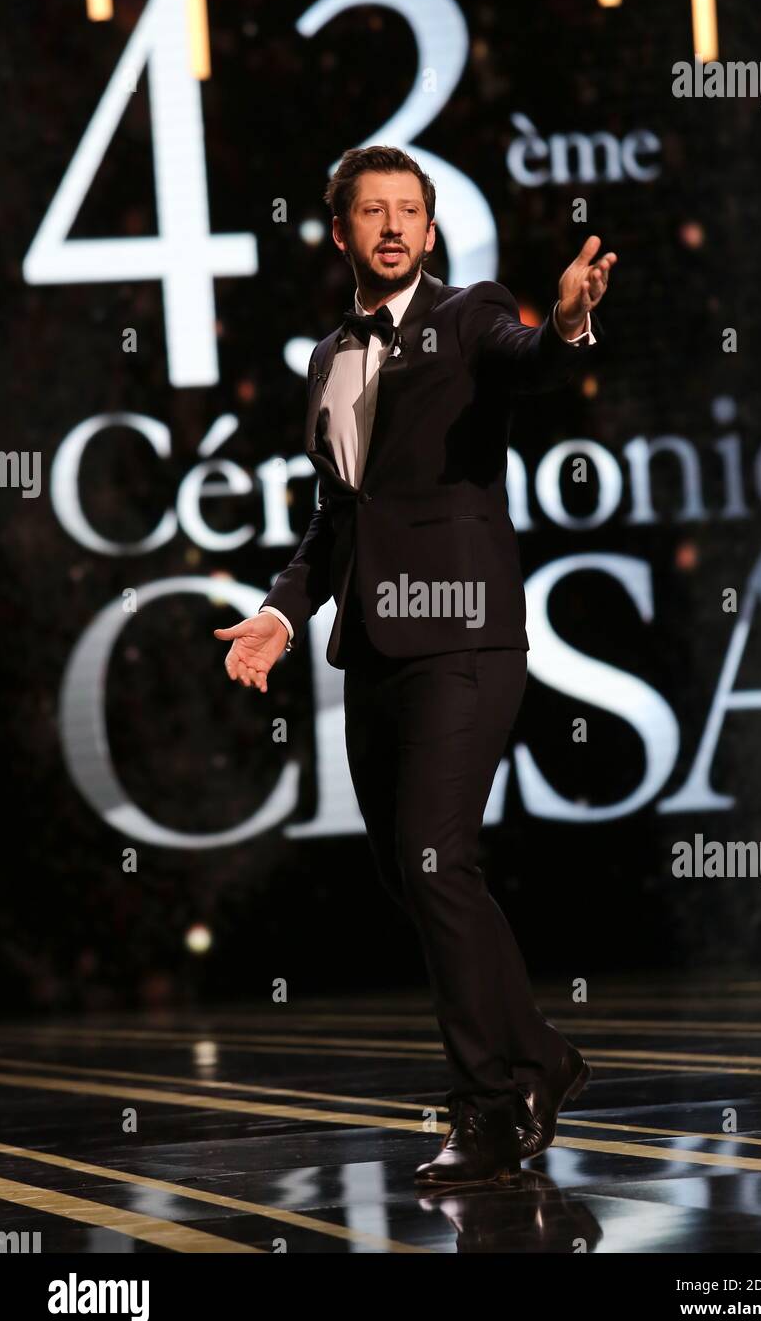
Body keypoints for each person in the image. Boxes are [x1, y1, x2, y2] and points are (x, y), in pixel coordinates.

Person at [215, 145, 616, 1188]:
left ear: (430, 233)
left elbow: (531, 355)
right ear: (341, 231)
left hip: (468, 640)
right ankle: (543, 1058)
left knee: (438, 859)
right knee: (413, 871)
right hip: (378, 649)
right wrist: (280, 614)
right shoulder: (325, 359)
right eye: (372, 212)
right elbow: (337, 521)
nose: (393, 227)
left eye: (410, 212)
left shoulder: (471, 315)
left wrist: (568, 323)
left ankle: (489, 1102)